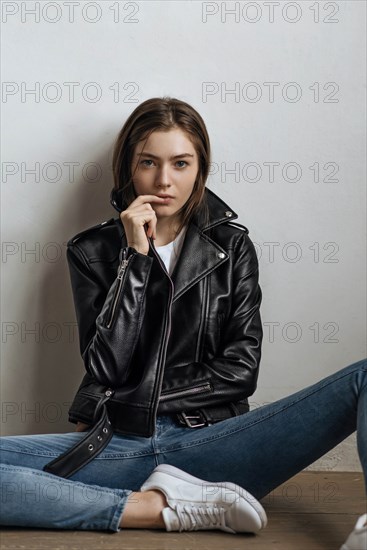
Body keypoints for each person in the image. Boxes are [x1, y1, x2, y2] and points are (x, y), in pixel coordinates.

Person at [0, 97, 366, 549]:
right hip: (121, 442)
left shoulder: (232, 248)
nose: (164, 180)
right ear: (128, 168)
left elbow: (240, 370)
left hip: (212, 438)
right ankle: (153, 509)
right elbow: (106, 368)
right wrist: (134, 258)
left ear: (200, 168)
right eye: (148, 162)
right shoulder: (91, 251)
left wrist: (141, 400)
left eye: (181, 163)